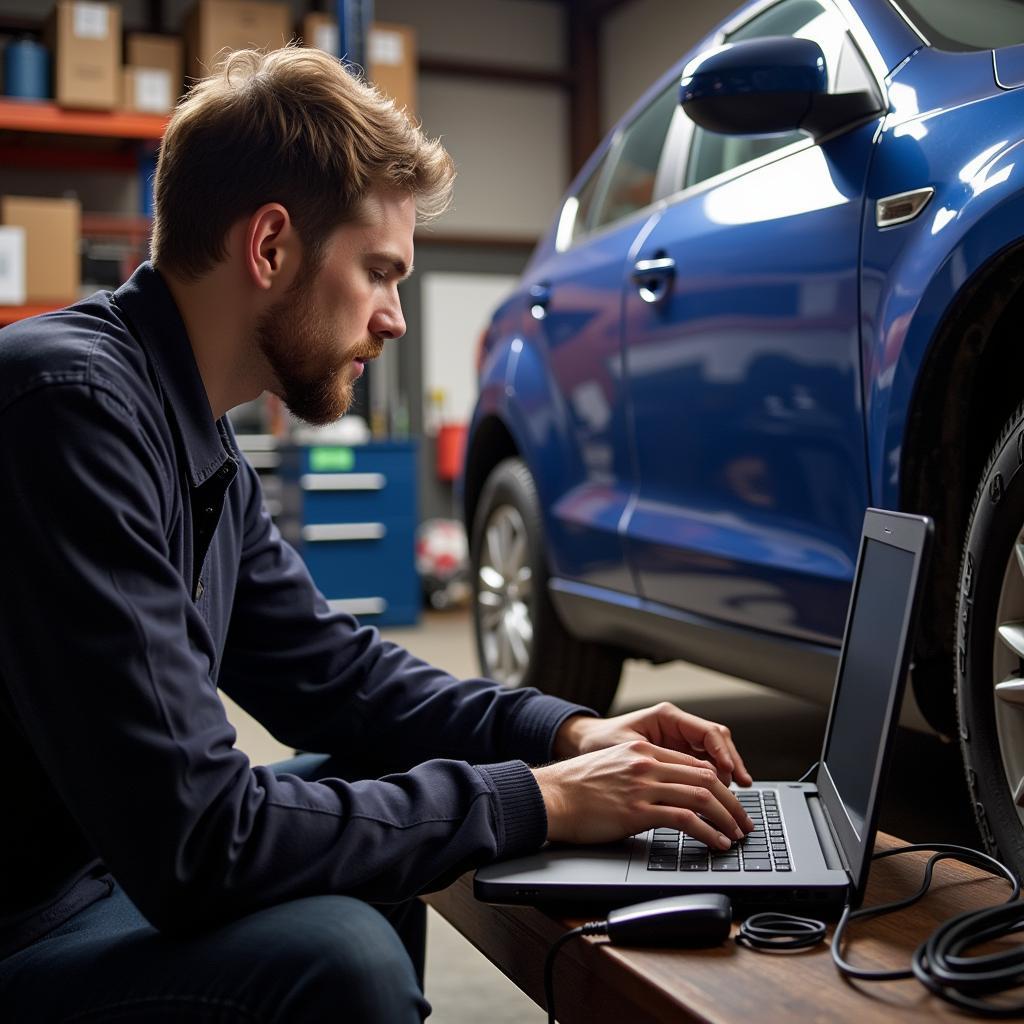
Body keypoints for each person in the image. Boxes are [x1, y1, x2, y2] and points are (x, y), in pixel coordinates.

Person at [0, 45, 754, 1022]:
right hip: (29, 926)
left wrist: (566, 734)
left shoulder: (193, 436)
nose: (396, 318)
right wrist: (545, 800)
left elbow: (343, 680)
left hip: (102, 876)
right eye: (379, 272)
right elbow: (197, 843)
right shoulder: (68, 408)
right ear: (270, 247)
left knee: (380, 777)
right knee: (341, 956)